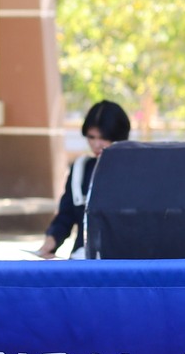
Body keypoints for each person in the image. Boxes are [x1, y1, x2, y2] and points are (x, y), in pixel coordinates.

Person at [38, 100, 131, 258]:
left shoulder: (136, 171)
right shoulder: (81, 169)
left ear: (120, 136)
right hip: (83, 259)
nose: (96, 144)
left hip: (123, 262)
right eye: (91, 137)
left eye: (104, 137)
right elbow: (66, 216)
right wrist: (50, 242)